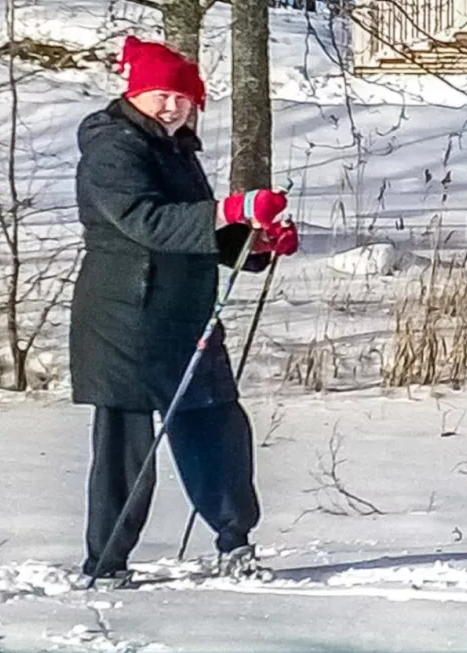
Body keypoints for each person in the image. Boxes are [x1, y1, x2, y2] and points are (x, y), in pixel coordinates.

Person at [71, 35, 298, 584]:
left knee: (217, 423)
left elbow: (192, 226)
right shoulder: (113, 148)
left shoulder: (175, 146)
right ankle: (106, 562)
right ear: (133, 94)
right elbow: (147, 222)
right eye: (157, 94)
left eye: (180, 96)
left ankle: (234, 540)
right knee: (126, 446)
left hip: (184, 314)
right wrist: (232, 208)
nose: (170, 105)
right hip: (124, 317)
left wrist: (253, 242)